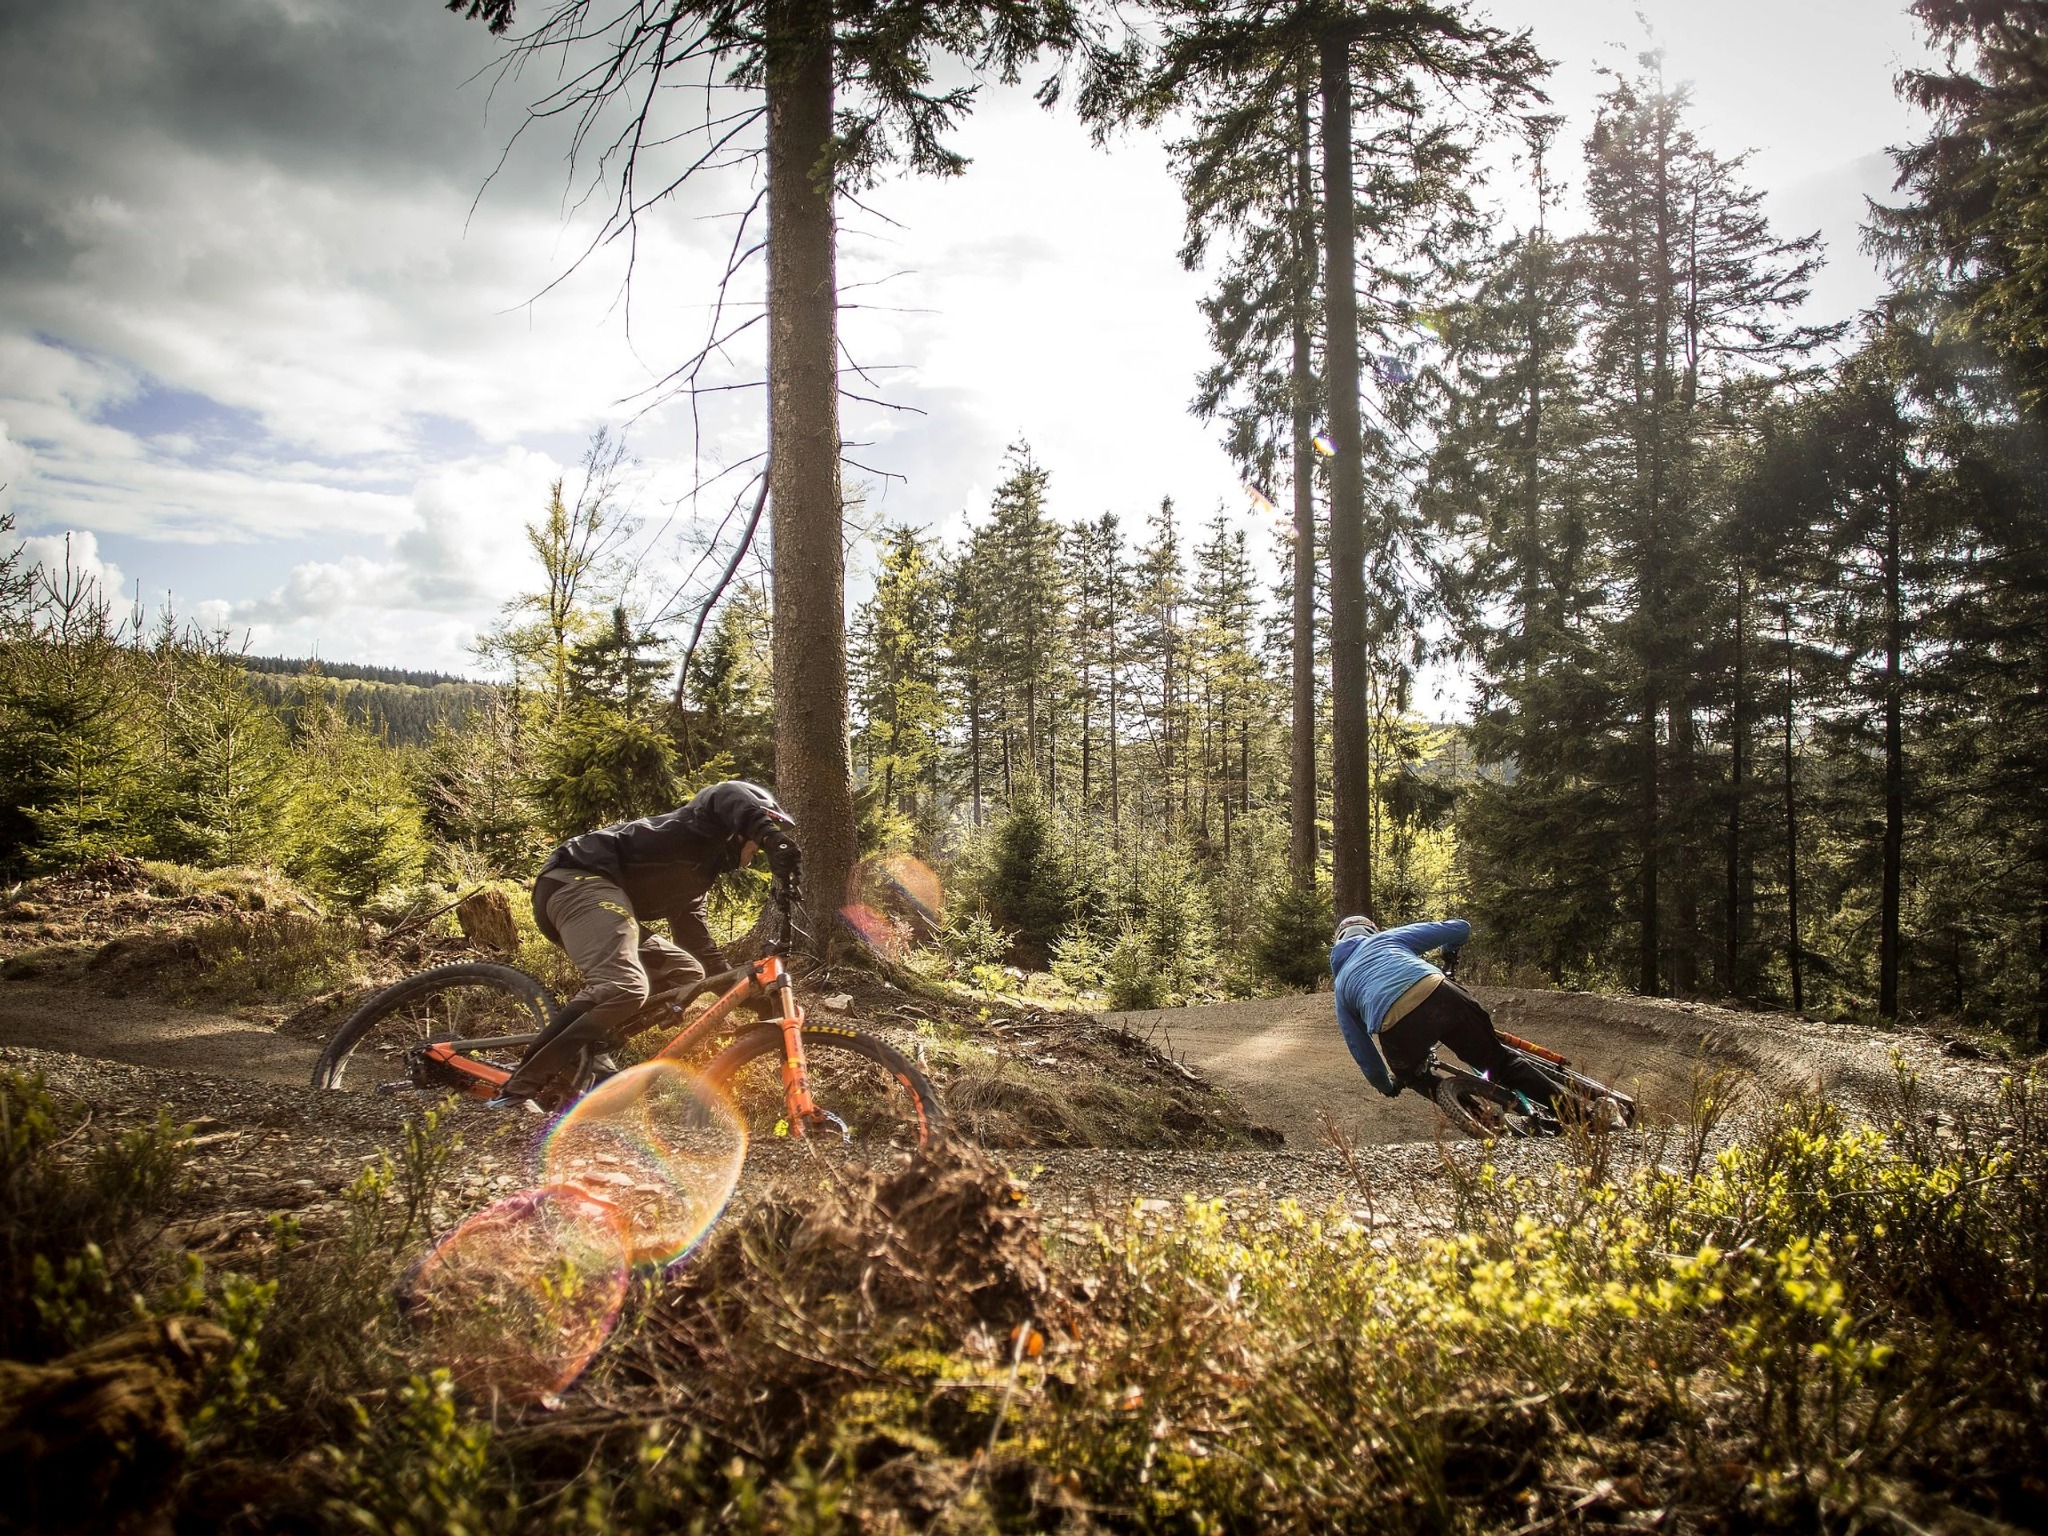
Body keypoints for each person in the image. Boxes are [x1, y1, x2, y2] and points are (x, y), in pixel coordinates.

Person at [494, 780, 802, 1106]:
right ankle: (528, 1077)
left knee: (686, 972)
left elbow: (704, 955)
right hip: (577, 879)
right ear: (738, 833)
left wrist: (754, 1002)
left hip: (599, 904)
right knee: (625, 985)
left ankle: (586, 1051)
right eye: (754, 846)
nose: (753, 857)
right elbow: (726, 793)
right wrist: (771, 836)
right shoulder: (698, 827)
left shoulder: (695, 885)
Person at [1329, 914, 1562, 1114]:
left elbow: (1360, 1048)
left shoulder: (1341, 986)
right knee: (1501, 1064)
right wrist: (1449, 953)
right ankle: (1577, 1116)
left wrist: (1386, 1086)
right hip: (1441, 994)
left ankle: (1484, 1124)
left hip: (1397, 1027)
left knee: (1414, 1077)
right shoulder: (1388, 938)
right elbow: (1460, 928)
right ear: (1372, 930)